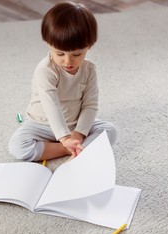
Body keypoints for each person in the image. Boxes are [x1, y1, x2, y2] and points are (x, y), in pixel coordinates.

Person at [8, 1, 117, 162]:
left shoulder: (89, 70)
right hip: (42, 123)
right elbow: (51, 106)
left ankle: (73, 146)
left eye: (77, 54)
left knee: (110, 131)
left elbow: (90, 105)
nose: (68, 61)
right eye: (60, 54)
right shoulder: (45, 70)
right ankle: (67, 149)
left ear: (89, 46)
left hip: (74, 124)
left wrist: (78, 133)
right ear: (48, 44)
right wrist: (65, 139)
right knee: (17, 146)